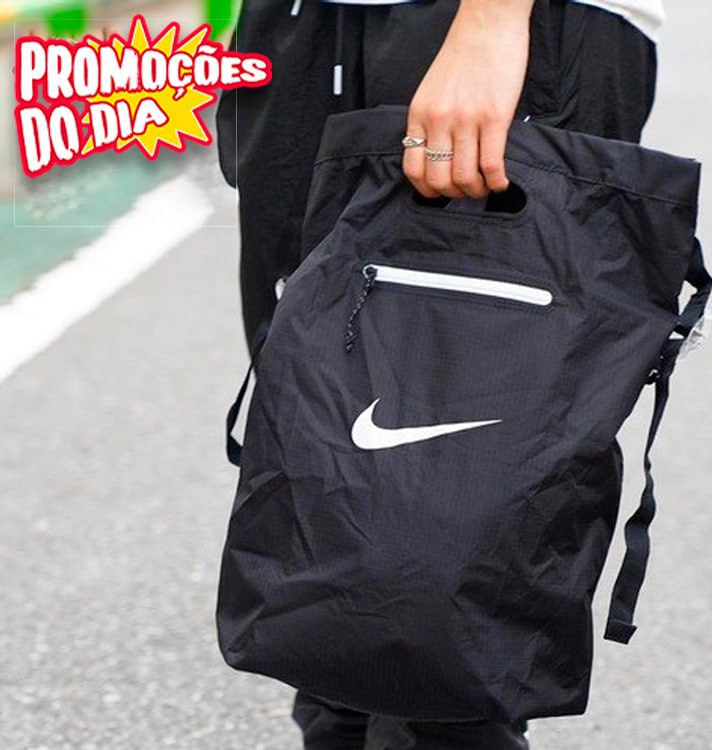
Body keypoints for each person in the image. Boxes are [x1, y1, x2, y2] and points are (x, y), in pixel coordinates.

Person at [216, 0, 661, 746]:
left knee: (451, 586)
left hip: (494, 24)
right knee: (324, 533)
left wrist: (492, 23)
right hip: (302, 25)